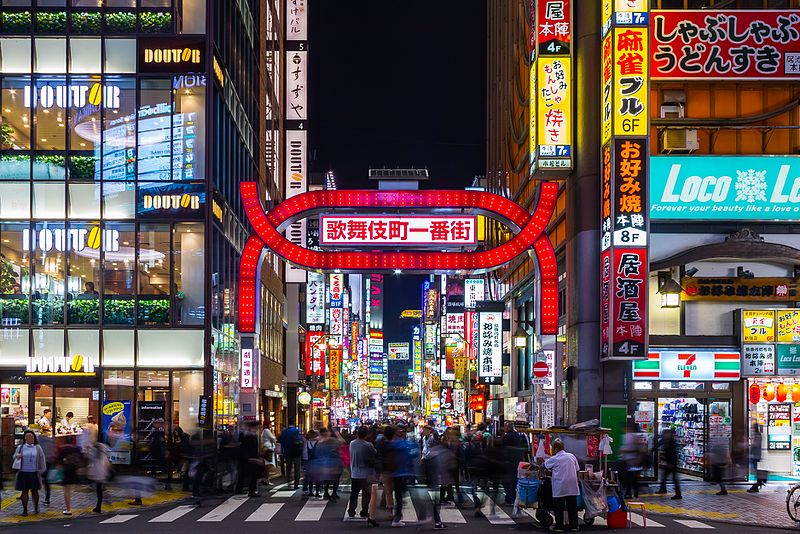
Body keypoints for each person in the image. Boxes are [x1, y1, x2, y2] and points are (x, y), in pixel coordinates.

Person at [543, 439, 580, 533]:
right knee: (572, 507)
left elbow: (545, 465)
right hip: (572, 485)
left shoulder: (554, 458)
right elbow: (577, 470)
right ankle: (574, 526)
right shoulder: (572, 456)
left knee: (558, 507)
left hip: (560, 486)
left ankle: (559, 527)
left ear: (555, 449)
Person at [13, 430, 47, 516]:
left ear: (34, 438)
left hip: (34, 472)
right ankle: (25, 510)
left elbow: (42, 458)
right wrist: (17, 456)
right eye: (27, 437)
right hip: (23, 472)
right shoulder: (21, 447)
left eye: (31, 437)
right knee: (24, 492)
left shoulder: (37, 447)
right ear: (24, 438)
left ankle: (36, 507)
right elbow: (14, 456)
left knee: (34, 491)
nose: (29, 438)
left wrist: (42, 470)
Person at [348, 426, 377, 523]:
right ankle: (364, 511)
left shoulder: (352, 443)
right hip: (366, 473)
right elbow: (374, 454)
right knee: (366, 494)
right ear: (366, 434)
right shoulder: (368, 445)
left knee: (354, 493)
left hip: (355, 473)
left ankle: (351, 511)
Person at [501, 421, 527, 506]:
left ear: (508, 427)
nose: (503, 428)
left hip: (509, 461)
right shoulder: (517, 435)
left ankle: (509, 499)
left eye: (504, 426)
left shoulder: (508, 436)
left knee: (507, 481)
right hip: (517, 461)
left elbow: (503, 448)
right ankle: (514, 498)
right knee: (514, 481)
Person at [56, 440, 85, 515]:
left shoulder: (63, 449)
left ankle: (68, 509)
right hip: (75, 470)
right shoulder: (77, 448)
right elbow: (82, 458)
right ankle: (82, 506)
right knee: (77, 489)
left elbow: (59, 461)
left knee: (67, 490)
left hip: (66, 470)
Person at [235, 421, 261, 497]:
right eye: (257, 427)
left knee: (243, 473)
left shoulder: (244, 434)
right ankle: (251, 491)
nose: (257, 429)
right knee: (253, 474)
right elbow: (251, 448)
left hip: (245, 457)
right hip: (250, 458)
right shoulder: (251, 436)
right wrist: (254, 457)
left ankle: (240, 489)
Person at [86, 440, 112, 513]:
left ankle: (100, 506)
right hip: (103, 473)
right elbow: (107, 463)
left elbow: (89, 457)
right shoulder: (104, 453)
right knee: (100, 489)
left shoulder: (95, 453)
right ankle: (101, 504)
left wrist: (88, 449)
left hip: (97, 474)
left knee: (99, 490)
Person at [656, 427, 682, 499]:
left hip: (672, 464)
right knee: (665, 477)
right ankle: (663, 489)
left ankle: (678, 494)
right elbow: (657, 445)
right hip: (669, 463)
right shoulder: (665, 441)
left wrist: (671, 463)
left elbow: (672, 453)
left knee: (674, 479)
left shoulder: (671, 442)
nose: (664, 435)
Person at [278, 424, 303, 489]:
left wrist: (282, 451)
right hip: (297, 452)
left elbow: (282, 442)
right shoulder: (297, 431)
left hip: (288, 452)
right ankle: (296, 484)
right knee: (297, 468)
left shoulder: (284, 431)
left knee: (288, 468)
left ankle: (288, 482)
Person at [747, 423, 766, 492]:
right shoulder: (758, 435)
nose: (752, 429)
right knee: (756, 470)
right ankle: (757, 484)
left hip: (756, 455)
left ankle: (757, 484)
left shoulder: (757, 435)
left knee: (756, 471)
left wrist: (750, 448)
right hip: (757, 455)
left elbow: (755, 445)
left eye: (753, 427)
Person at [260, 421, 278, 486]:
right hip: (268, 449)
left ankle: (265, 479)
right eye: (270, 424)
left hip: (266, 448)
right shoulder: (267, 430)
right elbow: (273, 438)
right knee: (268, 465)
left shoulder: (264, 431)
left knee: (267, 465)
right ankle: (266, 479)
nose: (271, 425)